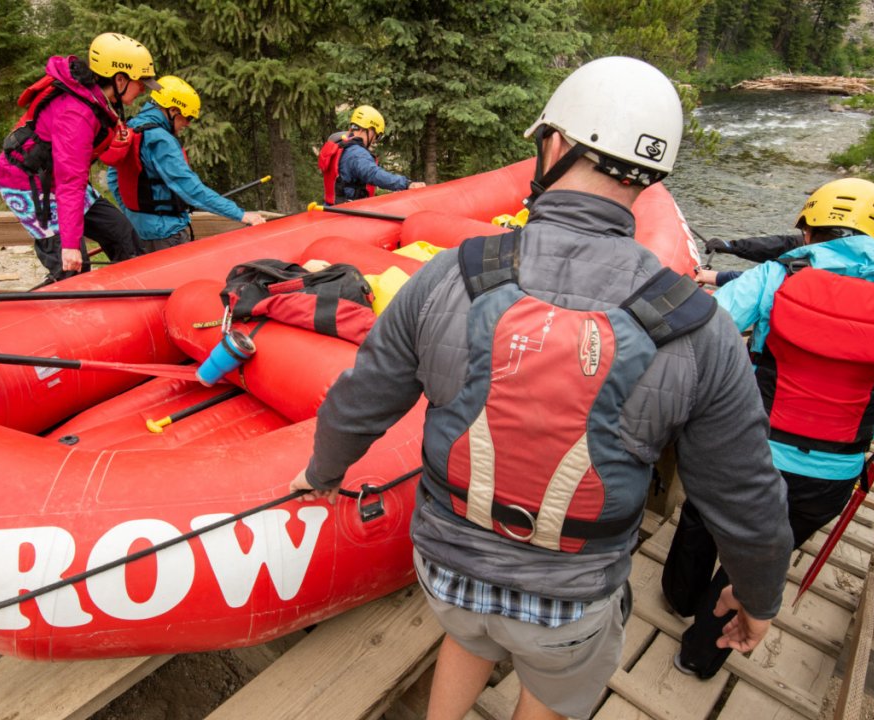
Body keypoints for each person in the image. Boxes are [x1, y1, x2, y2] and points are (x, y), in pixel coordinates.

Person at [291, 57, 793, 720]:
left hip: (447, 568)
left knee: (467, 631)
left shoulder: (449, 274)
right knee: (554, 681)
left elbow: (361, 399)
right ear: (655, 177)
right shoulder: (699, 329)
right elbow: (746, 495)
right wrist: (757, 597)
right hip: (571, 601)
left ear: (554, 146)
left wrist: (322, 471)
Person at [663, 178, 874, 680]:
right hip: (829, 476)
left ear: (808, 232)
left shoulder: (776, 276)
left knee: (702, 520)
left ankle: (679, 597)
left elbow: (706, 329)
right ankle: (700, 655)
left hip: (745, 452)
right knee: (762, 561)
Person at [0, 32, 158, 282]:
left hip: (59, 179)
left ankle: (131, 298)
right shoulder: (76, 115)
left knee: (122, 235)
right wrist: (70, 244)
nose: (142, 89)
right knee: (73, 268)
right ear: (120, 79)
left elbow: (95, 159)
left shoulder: (97, 98)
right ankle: (68, 307)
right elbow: (70, 180)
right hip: (30, 185)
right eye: (140, 82)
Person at [103, 75, 265, 252]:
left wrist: (132, 214)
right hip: (167, 235)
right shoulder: (161, 140)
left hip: (140, 232)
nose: (187, 124)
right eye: (188, 117)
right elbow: (190, 189)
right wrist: (241, 215)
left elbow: (113, 178)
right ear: (173, 110)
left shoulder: (130, 127)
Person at [318, 105, 425, 205]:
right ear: (369, 129)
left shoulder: (341, 145)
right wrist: (407, 184)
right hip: (346, 214)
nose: (374, 141)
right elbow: (373, 174)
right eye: (377, 136)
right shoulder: (356, 153)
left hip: (331, 208)